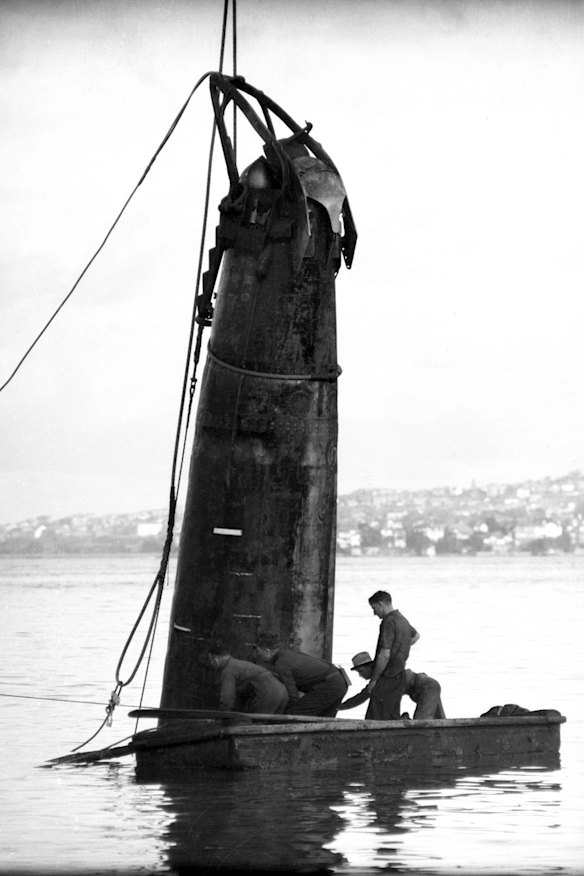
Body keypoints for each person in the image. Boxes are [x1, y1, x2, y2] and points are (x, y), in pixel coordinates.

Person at [253, 632, 348, 717]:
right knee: (323, 720)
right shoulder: (287, 654)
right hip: (339, 681)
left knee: (295, 716)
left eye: (258, 651)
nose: (258, 655)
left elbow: (293, 695)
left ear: (267, 651)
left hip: (330, 684)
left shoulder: (281, 664)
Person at [338, 651, 445, 719]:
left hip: (426, 687)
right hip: (424, 687)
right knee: (438, 722)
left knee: (421, 726)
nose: (361, 675)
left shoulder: (382, 678)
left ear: (369, 667)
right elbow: (362, 696)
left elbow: (362, 697)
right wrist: (340, 707)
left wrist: (339, 707)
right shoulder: (379, 678)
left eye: (361, 671)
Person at [365, 591, 420, 720]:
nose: (374, 613)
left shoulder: (388, 621)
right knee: (391, 714)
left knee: (376, 717)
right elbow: (416, 636)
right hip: (399, 676)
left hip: (387, 676)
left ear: (380, 604)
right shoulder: (402, 619)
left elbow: (385, 653)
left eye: (374, 608)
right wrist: (401, 648)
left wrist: (374, 680)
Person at [207, 640, 288, 714]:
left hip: (269, 691)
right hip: (282, 689)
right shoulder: (237, 664)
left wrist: (221, 716)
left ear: (216, 659)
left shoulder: (228, 669)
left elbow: (227, 700)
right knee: (272, 725)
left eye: (210, 660)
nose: (211, 663)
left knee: (254, 726)